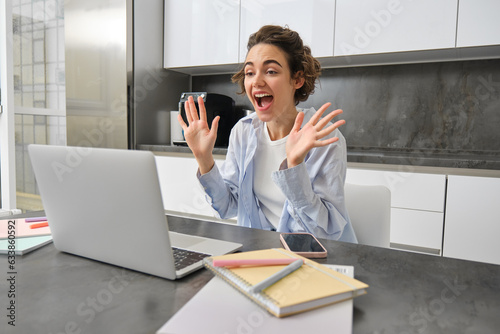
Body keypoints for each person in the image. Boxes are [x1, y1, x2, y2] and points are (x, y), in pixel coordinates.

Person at [178, 25, 357, 243]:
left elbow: (324, 234)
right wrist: (204, 159)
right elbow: (228, 207)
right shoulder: (243, 132)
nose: (257, 81)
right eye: (250, 73)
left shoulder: (323, 138)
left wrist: (294, 165)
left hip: (317, 258)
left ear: (297, 79)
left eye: (271, 71)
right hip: (261, 252)